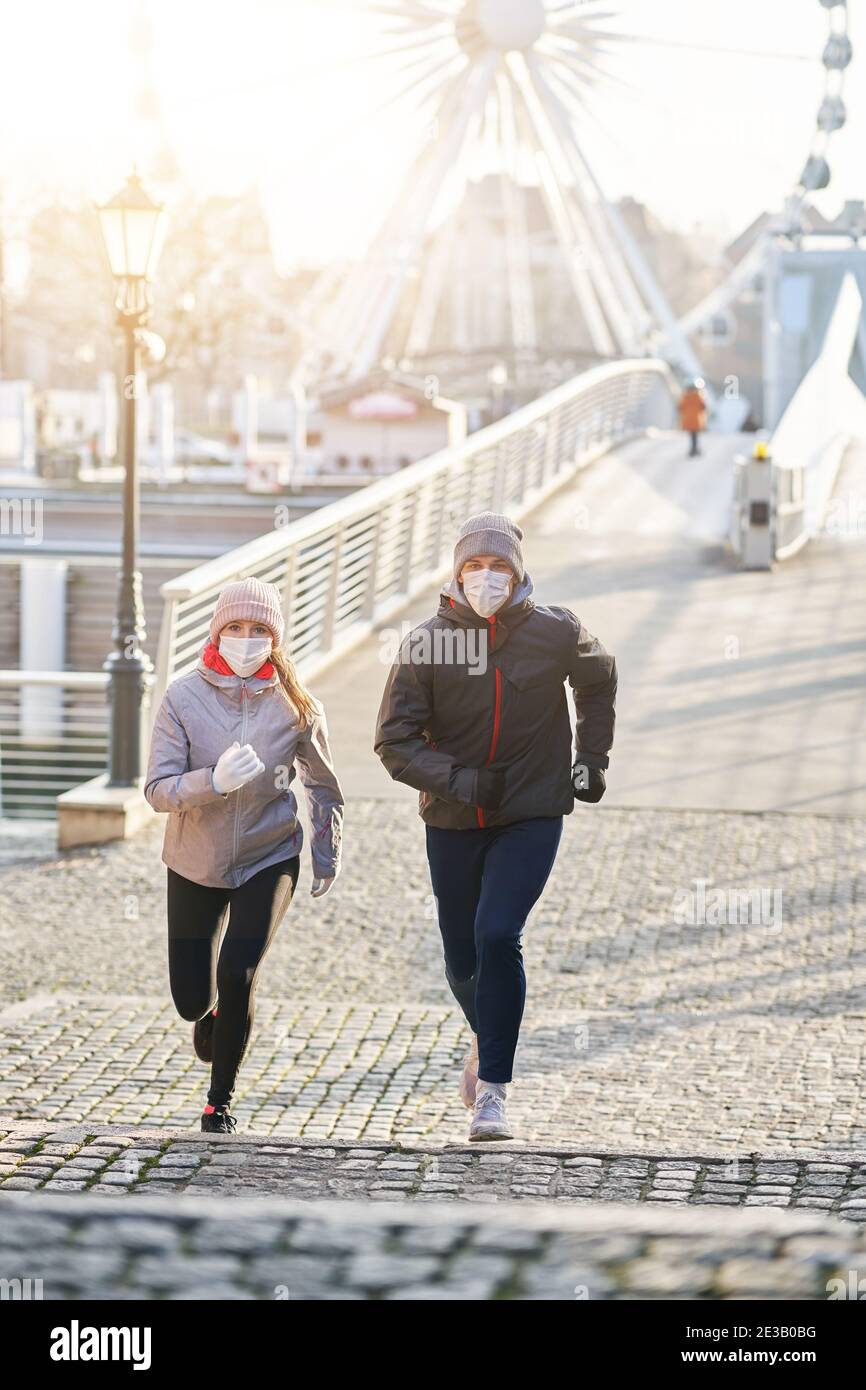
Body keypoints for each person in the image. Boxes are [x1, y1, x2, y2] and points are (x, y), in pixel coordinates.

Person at [374, 513, 616, 1141]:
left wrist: (590, 759)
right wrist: (458, 780)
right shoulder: (427, 642)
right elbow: (393, 740)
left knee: (496, 932)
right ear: (456, 573)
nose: (487, 578)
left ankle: (494, 1094)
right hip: (454, 818)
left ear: (518, 571)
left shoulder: (556, 630)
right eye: (474, 567)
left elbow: (600, 679)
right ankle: (487, 1034)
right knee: (460, 957)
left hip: (532, 811)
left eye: (499, 566)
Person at [144, 577, 344, 1133]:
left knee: (239, 971)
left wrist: (326, 853)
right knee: (192, 997)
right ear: (217, 631)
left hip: (268, 854)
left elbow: (323, 787)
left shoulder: (297, 705)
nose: (246, 638)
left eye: (259, 630)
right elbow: (157, 790)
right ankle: (207, 1014)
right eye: (235, 627)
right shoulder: (183, 697)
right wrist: (213, 780)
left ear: (275, 639)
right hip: (195, 860)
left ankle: (219, 1103)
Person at [679, 377, 708, 457]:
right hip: (696, 420)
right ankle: (695, 450)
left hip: (687, 419)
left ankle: (692, 449)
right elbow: (703, 406)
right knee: (695, 435)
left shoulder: (685, 396)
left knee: (691, 435)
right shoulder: (698, 396)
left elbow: (680, 407)